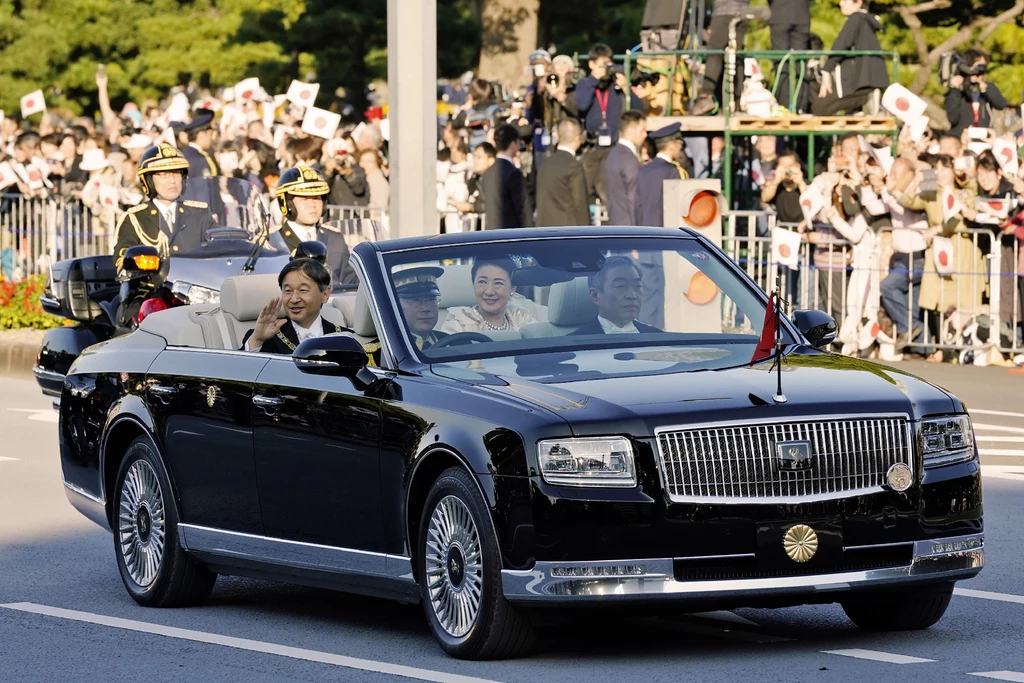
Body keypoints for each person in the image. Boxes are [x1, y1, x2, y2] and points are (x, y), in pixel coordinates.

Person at [111, 143, 213, 271]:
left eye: (176, 173)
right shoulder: (134, 219)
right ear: (148, 181)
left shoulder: (200, 214)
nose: (172, 180)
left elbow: (220, 249)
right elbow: (122, 262)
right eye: (164, 174)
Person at [275, 165, 358, 287]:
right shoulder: (273, 241)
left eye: (316, 198)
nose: (312, 205)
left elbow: (351, 280)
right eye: (304, 199)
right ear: (287, 203)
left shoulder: (335, 238)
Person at [242, 258, 339, 354]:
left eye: (303, 290)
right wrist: (256, 341)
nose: (294, 299)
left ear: (325, 294)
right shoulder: (266, 338)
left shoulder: (342, 336)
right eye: (288, 291)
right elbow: (238, 368)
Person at [814, 0, 889, 116]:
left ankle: (866, 99)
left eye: (844, 0)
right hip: (868, 79)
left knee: (819, 107)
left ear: (858, 2)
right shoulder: (866, 21)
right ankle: (862, 105)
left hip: (860, 82)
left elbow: (841, 44)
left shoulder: (855, 18)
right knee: (841, 111)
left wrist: (826, 70)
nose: (841, 3)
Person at [442, 257, 539, 333]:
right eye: (482, 282)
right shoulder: (458, 322)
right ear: (473, 284)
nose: (489, 292)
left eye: (498, 283)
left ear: (512, 288)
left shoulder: (523, 321)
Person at [571, 256, 663, 334]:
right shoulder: (570, 345)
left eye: (637, 286)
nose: (632, 296)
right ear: (595, 296)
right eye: (621, 286)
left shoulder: (660, 339)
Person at [535, 119, 589, 227]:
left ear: (558, 137)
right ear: (578, 138)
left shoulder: (544, 164)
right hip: (566, 232)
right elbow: (580, 205)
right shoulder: (573, 166)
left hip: (543, 229)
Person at [944, 50, 1008, 137]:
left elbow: (1001, 104)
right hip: (962, 137)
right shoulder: (958, 90)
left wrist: (985, 89)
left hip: (983, 138)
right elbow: (953, 118)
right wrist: (955, 90)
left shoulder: (987, 87)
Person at [482, 124, 531, 229]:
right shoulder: (513, 174)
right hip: (510, 236)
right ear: (512, 144)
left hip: (490, 234)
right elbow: (523, 210)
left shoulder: (487, 173)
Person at [604, 110, 647, 226]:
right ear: (630, 131)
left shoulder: (612, 154)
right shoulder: (628, 158)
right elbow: (633, 198)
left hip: (615, 223)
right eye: (642, 130)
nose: (645, 135)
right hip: (629, 226)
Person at [769, 0, 811, 110]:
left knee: (782, 62)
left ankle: (784, 105)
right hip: (801, 14)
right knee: (800, 64)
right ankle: (801, 105)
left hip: (779, 14)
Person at [181, 109, 219, 178]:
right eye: (210, 134)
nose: (211, 138)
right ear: (201, 134)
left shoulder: (183, 153)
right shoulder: (200, 159)